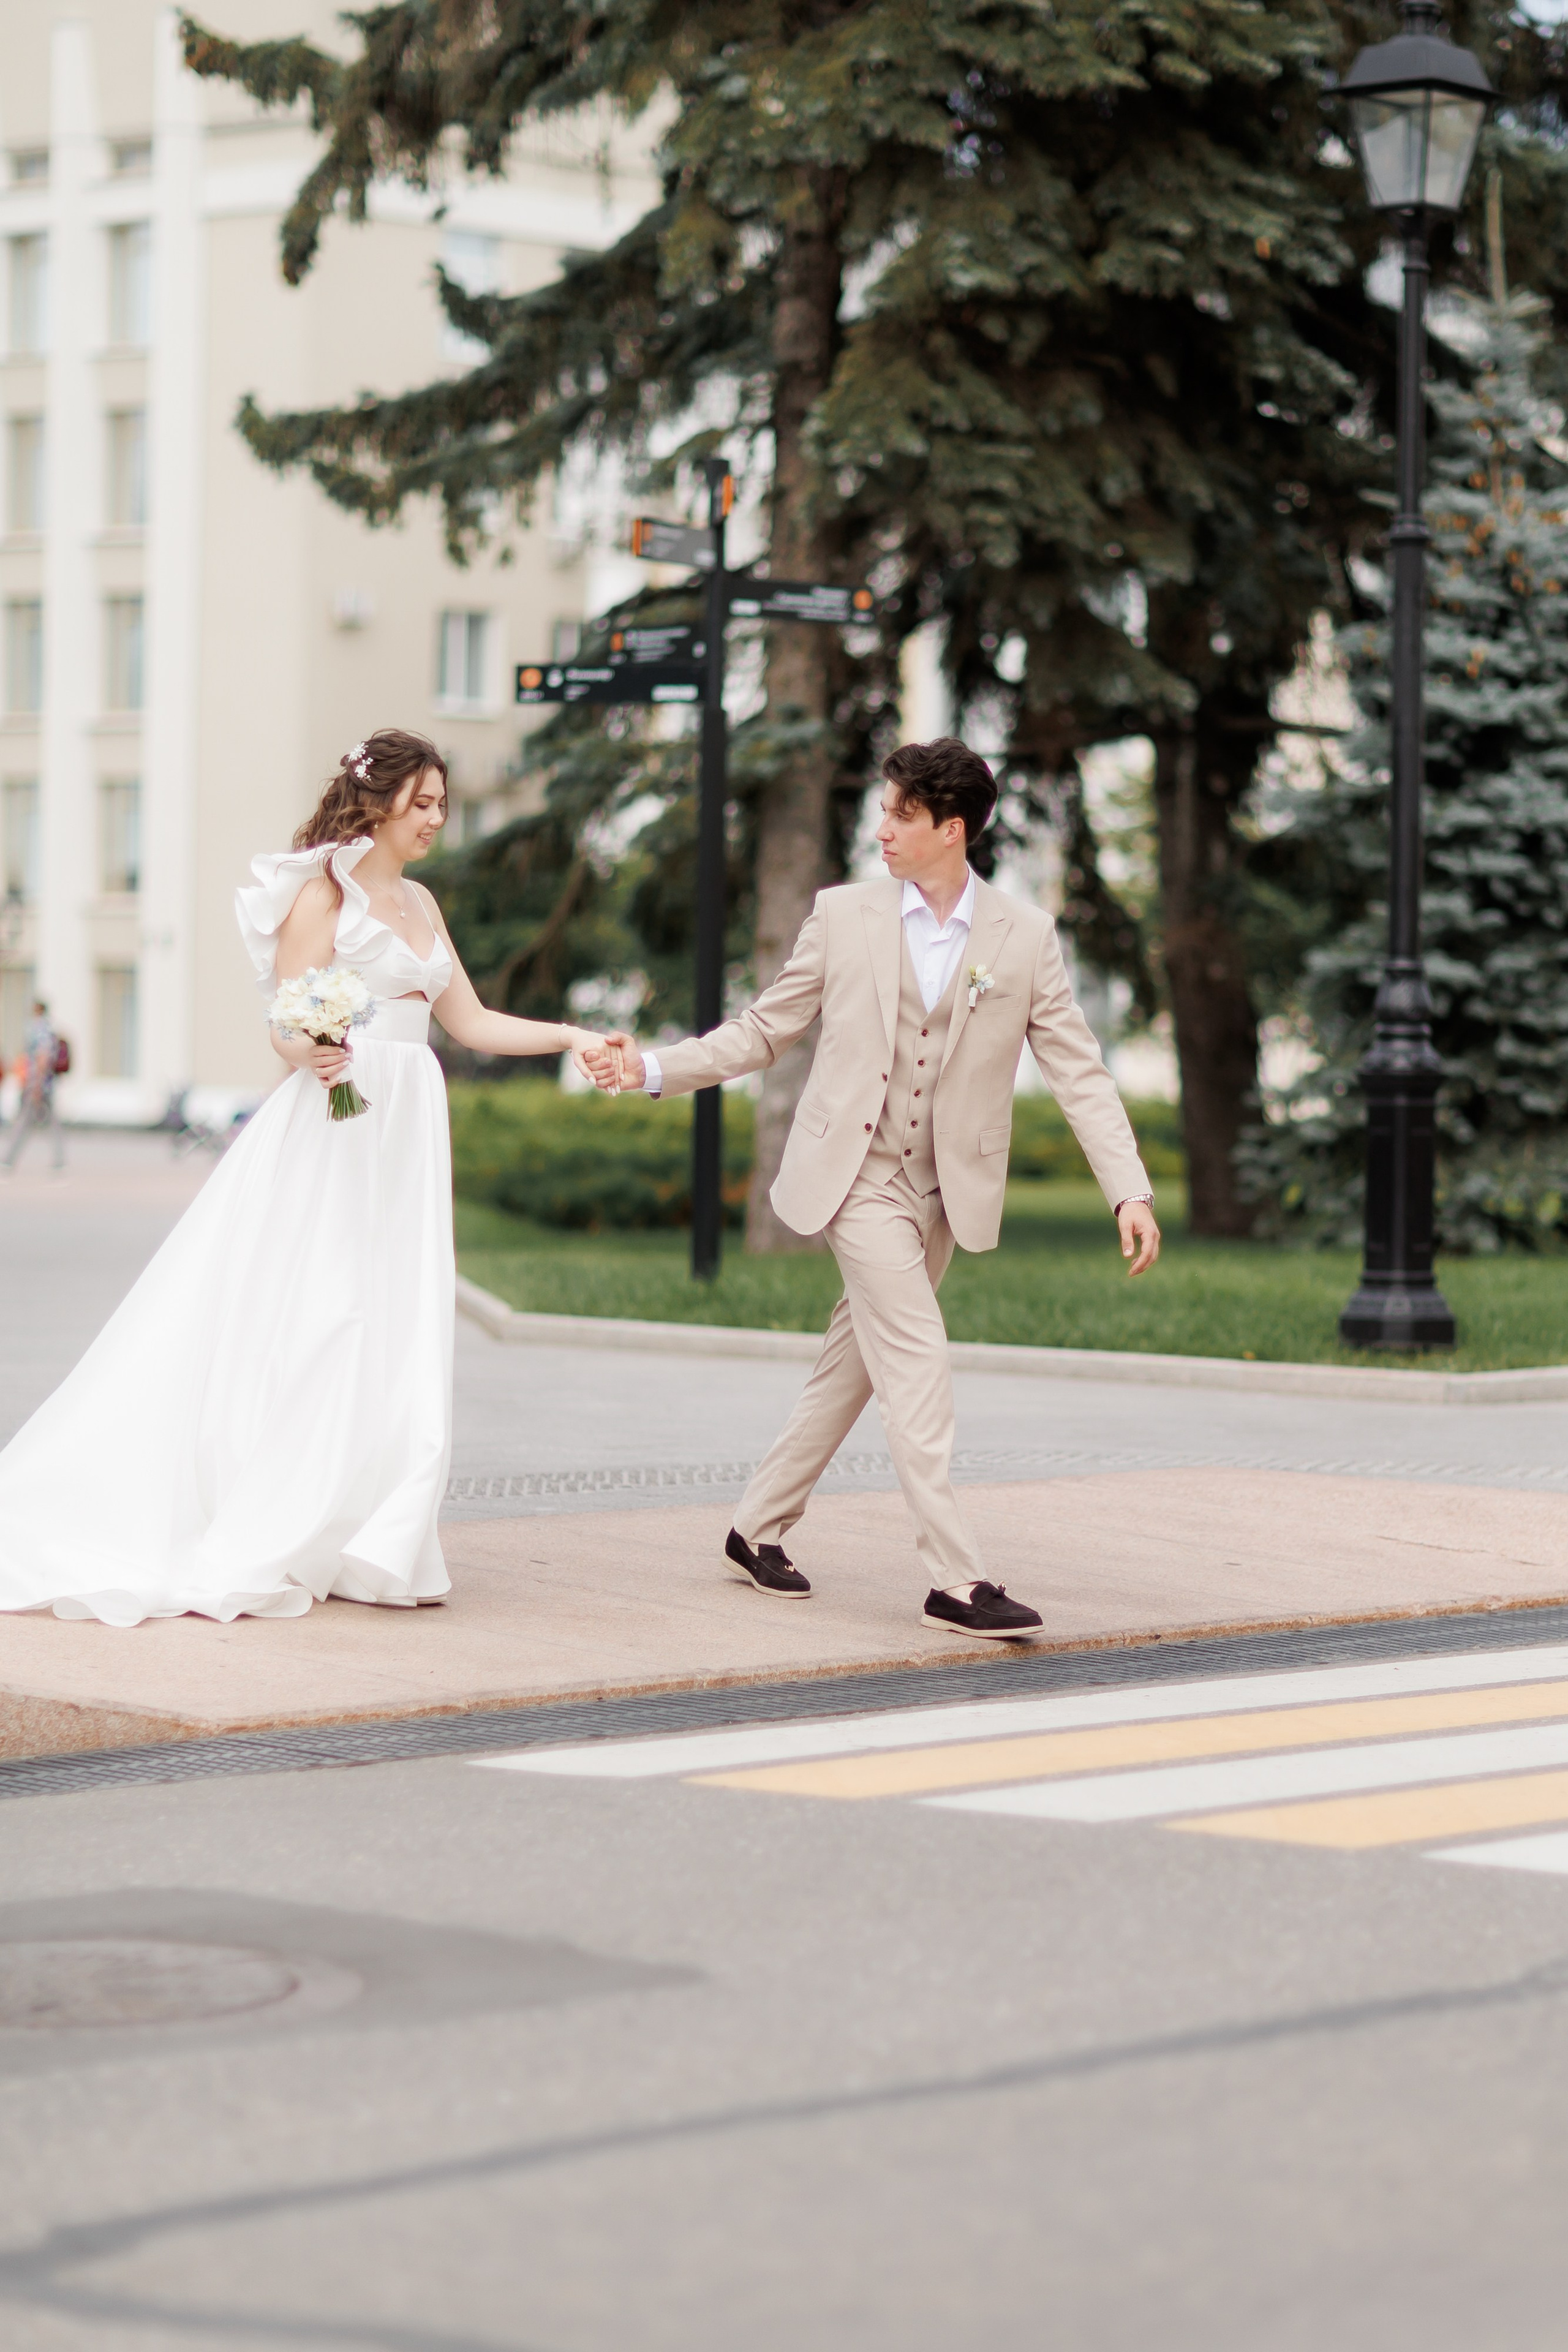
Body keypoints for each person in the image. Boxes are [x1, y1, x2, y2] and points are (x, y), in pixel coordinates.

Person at [0, 728, 616, 1626]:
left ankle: (374, 1536)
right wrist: (314, 1051)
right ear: (380, 801)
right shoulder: (321, 898)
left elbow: (472, 1022)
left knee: (394, 1320)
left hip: (408, 1125)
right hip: (340, 1121)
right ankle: (283, 1520)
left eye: (444, 804)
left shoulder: (422, 903)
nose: (438, 818)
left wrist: (570, 1037)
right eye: (426, 803)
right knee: (328, 1314)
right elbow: (287, 1025)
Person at [586, 736, 1161, 1640]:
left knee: (848, 1371)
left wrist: (1128, 1189)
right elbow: (763, 1030)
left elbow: (1078, 1070)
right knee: (916, 1360)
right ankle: (957, 1581)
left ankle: (754, 1528)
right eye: (884, 809)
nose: (881, 828)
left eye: (902, 814)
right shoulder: (844, 916)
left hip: (943, 1191)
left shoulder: (1023, 937)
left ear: (952, 830)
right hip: (852, 1178)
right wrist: (653, 1069)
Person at [3, 1000, 66, 1175]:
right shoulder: (49, 1028)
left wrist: (37, 1084)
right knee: (49, 1123)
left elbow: (42, 1057)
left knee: (25, 1121)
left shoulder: (39, 1029)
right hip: (45, 1084)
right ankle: (59, 1161)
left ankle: (8, 1160)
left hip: (38, 1085)